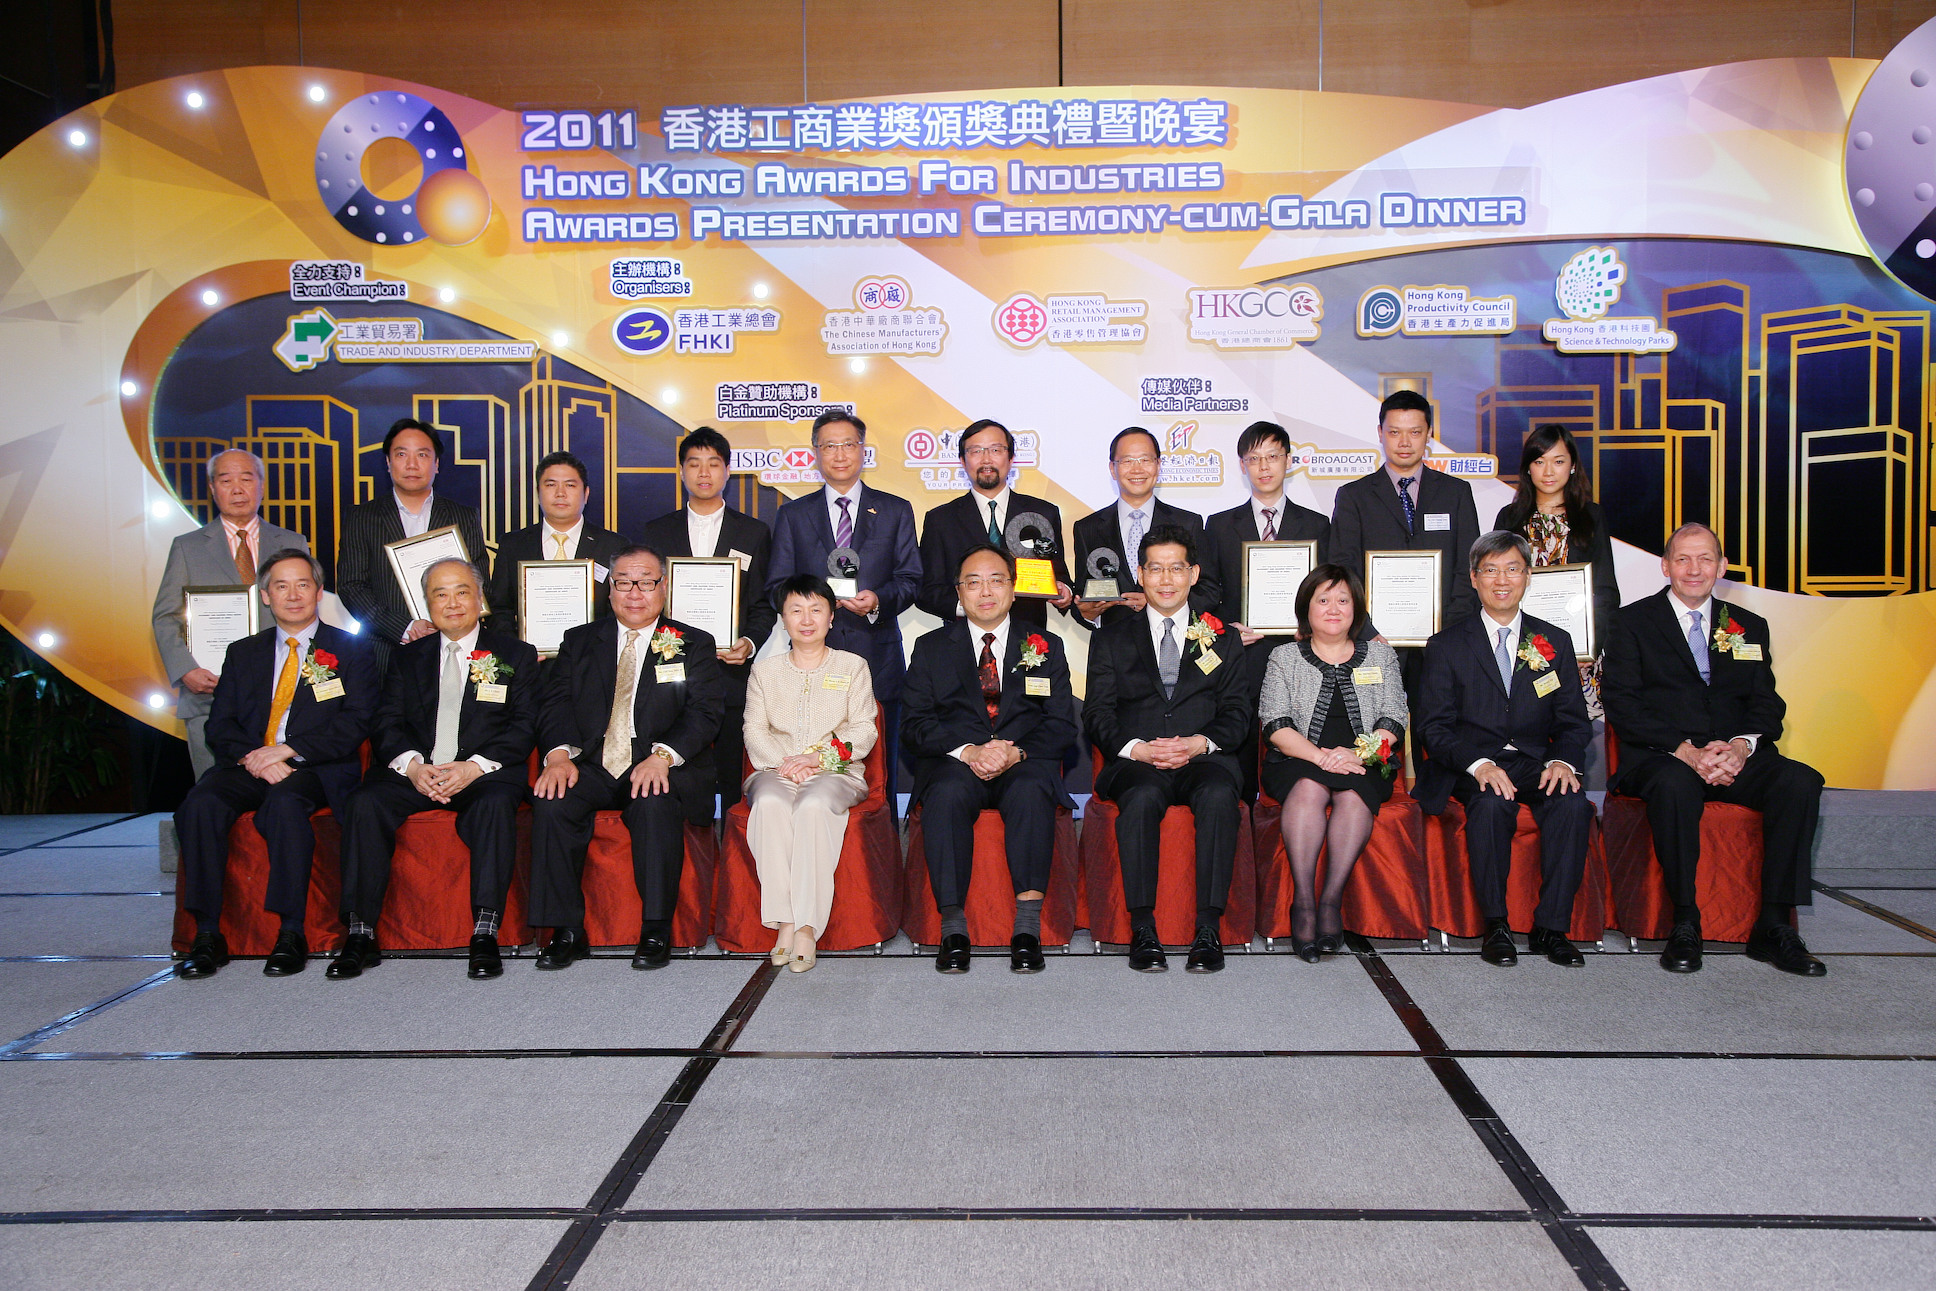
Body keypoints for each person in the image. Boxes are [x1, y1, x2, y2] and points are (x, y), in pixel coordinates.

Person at [1601, 522, 1826, 976]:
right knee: (1674, 785)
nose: (1694, 569)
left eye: (1705, 559)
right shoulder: (1631, 623)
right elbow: (1622, 704)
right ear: (1665, 566)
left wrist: (1741, 747)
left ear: (1721, 567)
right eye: (1682, 559)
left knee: (1800, 781)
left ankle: (1774, 925)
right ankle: (1685, 921)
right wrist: (1685, 751)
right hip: (1663, 757)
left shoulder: (1748, 625)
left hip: (1733, 757)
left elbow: (1767, 703)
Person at [327, 559, 539, 982]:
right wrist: (413, 766)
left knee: (496, 804)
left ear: (479, 598)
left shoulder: (516, 653)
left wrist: (473, 768)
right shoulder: (407, 657)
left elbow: (524, 725)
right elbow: (386, 722)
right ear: (427, 603)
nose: (452, 602)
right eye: (440, 594)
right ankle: (360, 932)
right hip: (419, 771)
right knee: (365, 803)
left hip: (482, 773)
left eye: (462, 591)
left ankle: (485, 931)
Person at [173, 550, 378, 978]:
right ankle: (207, 933)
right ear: (265, 596)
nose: (293, 595)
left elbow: (356, 721)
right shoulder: (243, 652)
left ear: (319, 592)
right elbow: (220, 725)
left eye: (303, 584)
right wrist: (256, 758)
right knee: (200, 804)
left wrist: (288, 750)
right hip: (250, 763)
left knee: (284, 805)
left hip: (315, 767)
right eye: (281, 586)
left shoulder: (352, 649)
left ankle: (291, 932)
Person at [527, 546, 723, 971]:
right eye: (624, 582)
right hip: (592, 761)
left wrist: (663, 756)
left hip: (657, 760)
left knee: (654, 802)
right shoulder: (579, 640)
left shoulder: (694, 643)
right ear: (610, 589)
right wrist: (558, 755)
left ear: (663, 587)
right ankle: (566, 930)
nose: (635, 593)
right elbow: (555, 704)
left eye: (646, 582)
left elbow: (704, 713)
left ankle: (655, 929)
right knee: (552, 801)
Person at [1417, 532, 1594, 967]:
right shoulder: (1446, 644)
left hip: (1535, 762)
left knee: (1572, 804)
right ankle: (1495, 924)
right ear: (1473, 578)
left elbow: (1573, 722)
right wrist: (1479, 765)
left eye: (1512, 569)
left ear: (1527, 576)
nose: (1502, 580)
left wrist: (1562, 761)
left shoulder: (1555, 641)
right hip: (1471, 765)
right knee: (1492, 803)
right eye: (1491, 570)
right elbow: (1433, 728)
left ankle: (1552, 928)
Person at [902, 546, 1078, 974]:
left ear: (1013, 590)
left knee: (1032, 789)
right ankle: (953, 930)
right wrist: (969, 752)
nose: (986, 592)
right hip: (956, 762)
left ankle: (1027, 929)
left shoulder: (1045, 645)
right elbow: (915, 724)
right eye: (974, 582)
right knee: (946, 792)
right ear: (959, 593)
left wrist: (1015, 751)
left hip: (1023, 760)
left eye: (997, 581)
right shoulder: (930, 647)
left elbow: (1060, 724)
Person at [1084, 524, 1249, 973]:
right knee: (1140, 797)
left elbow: (1238, 713)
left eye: (1176, 568)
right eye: (1155, 569)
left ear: (1193, 574)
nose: (1166, 579)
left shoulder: (1223, 637)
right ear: (1140, 574)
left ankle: (1208, 929)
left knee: (1219, 794)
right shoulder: (1111, 637)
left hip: (1203, 758)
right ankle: (1143, 928)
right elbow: (1097, 713)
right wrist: (1137, 750)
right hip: (1138, 762)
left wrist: (1198, 743)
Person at [765, 411, 919, 804]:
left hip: (876, 654)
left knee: (881, 772)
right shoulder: (793, 514)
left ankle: (880, 842)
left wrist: (878, 600)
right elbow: (777, 586)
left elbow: (910, 579)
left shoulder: (895, 509)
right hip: (808, 661)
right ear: (815, 452)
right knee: (807, 764)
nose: (839, 454)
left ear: (863, 450)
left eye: (848, 444)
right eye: (829, 445)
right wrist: (812, 605)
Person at [1258, 565, 1409, 961]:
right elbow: (1275, 723)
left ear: (1356, 608)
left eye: (1343, 600)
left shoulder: (1381, 655)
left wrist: (1358, 753)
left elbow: (1394, 717)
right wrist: (1321, 757)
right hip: (1297, 757)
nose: (1333, 608)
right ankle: (1304, 903)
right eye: (1323, 600)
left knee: (1354, 796)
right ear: (1305, 609)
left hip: (1364, 758)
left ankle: (1330, 901)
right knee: (1309, 788)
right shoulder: (1284, 657)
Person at [742, 574, 879, 973]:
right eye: (796, 610)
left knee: (814, 805)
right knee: (769, 802)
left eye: (816, 610)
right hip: (774, 769)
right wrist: (788, 764)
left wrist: (818, 759)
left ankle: (805, 927)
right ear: (783, 618)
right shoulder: (764, 672)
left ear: (831, 617)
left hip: (837, 772)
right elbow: (754, 730)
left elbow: (864, 729)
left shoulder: (853, 666)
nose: (806, 620)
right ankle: (784, 920)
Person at [151, 448, 311, 779]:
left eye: (246, 479)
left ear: (262, 485)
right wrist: (186, 671)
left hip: (281, 697)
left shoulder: (291, 543)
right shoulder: (188, 547)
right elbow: (165, 618)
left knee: (280, 795)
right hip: (209, 696)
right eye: (226, 480)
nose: (237, 489)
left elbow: (306, 612)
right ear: (212, 488)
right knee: (215, 795)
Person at [638, 427, 776, 810]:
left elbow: (763, 604)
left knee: (732, 775)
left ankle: (731, 841)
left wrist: (749, 642)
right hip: (669, 672)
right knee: (675, 772)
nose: (703, 473)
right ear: (681, 470)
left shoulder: (753, 532)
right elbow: (642, 600)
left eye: (713, 464)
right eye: (694, 463)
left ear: (727, 471)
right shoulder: (656, 531)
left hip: (730, 673)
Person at [1203, 419, 1333, 802]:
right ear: (1242, 465)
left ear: (1288, 461)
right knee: (1240, 749)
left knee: (1296, 753)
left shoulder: (1317, 525)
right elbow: (1207, 592)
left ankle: (1292, 812)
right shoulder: (1219, 526)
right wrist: (1227, 631)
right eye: (1254, 458)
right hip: (1241, 654)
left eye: (1273, 456)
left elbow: (1330, 592)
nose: (1264, 466)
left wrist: (1312, 625)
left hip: (1300, 655)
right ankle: (1243, 815)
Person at [1329, 390, 1481, 709]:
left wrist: (1448, 632)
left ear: (1429, 434)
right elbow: (1343, 570)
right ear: (1380, 433)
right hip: (1374, 642)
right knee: (1374, 733)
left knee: (1439, 730)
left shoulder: (1456, 493)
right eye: (1394, 432)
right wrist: (1365, 630)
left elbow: (1468, 570)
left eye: (1414, 432)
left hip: (1443, 642)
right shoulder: (1354, 496)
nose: (1404, 442)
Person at [336, 418, 489, 666]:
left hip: (453, 648)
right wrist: (404, 627)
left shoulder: (463, 517)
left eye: (422, 455)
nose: (411, 464)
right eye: (401, 454)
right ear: (388, 463)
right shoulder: (361, 518)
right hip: (385, 652)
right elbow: (351, 586)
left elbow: (479, 583)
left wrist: (447, 623)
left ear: (436, 464)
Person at [1492, 424, 1620, 717]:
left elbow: (1605, 590)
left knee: (1577, 733)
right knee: (1523, 727)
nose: (1548, 471)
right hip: (1520, 650)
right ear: (1528, 468)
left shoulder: (1591, 516)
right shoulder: (1509, 519)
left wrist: (1589, 647)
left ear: (1572, 466)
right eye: (1539, 462)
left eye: (1558, 461)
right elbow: (1495, 585)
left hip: (1579, 654)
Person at [915, 418, 1075, 630]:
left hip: (1028, 637)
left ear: (1011, 458)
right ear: (962, 461)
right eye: (976, 451)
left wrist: (1064, 591)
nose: (986, 459)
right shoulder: (941, 519)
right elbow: (927, 589)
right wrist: (972, 607)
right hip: (963, 638)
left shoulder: (1042, 513)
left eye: (996, 450)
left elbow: (1059, 574)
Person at [1070, 427, 1218, 631]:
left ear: (1158, 465)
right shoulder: (1088, 528)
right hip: (1112, 645)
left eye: (1145, 460)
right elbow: (1082, 597)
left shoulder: (1188, 523)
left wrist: (1162, 601)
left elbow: (1209, 591)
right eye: (1127, 461)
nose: (1137, 469)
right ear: (1113, 468)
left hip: (1171, 640)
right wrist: (1087, 614)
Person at [485, 450, 631, 640]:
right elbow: (499, 610)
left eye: (570, 485)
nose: (560, 493)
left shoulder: (614, 546)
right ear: (538, 493)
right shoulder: (512, 545)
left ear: (586, 494)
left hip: (595, 655)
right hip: (529, 656)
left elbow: (624, 609)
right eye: (551, 485)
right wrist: (518, 649)